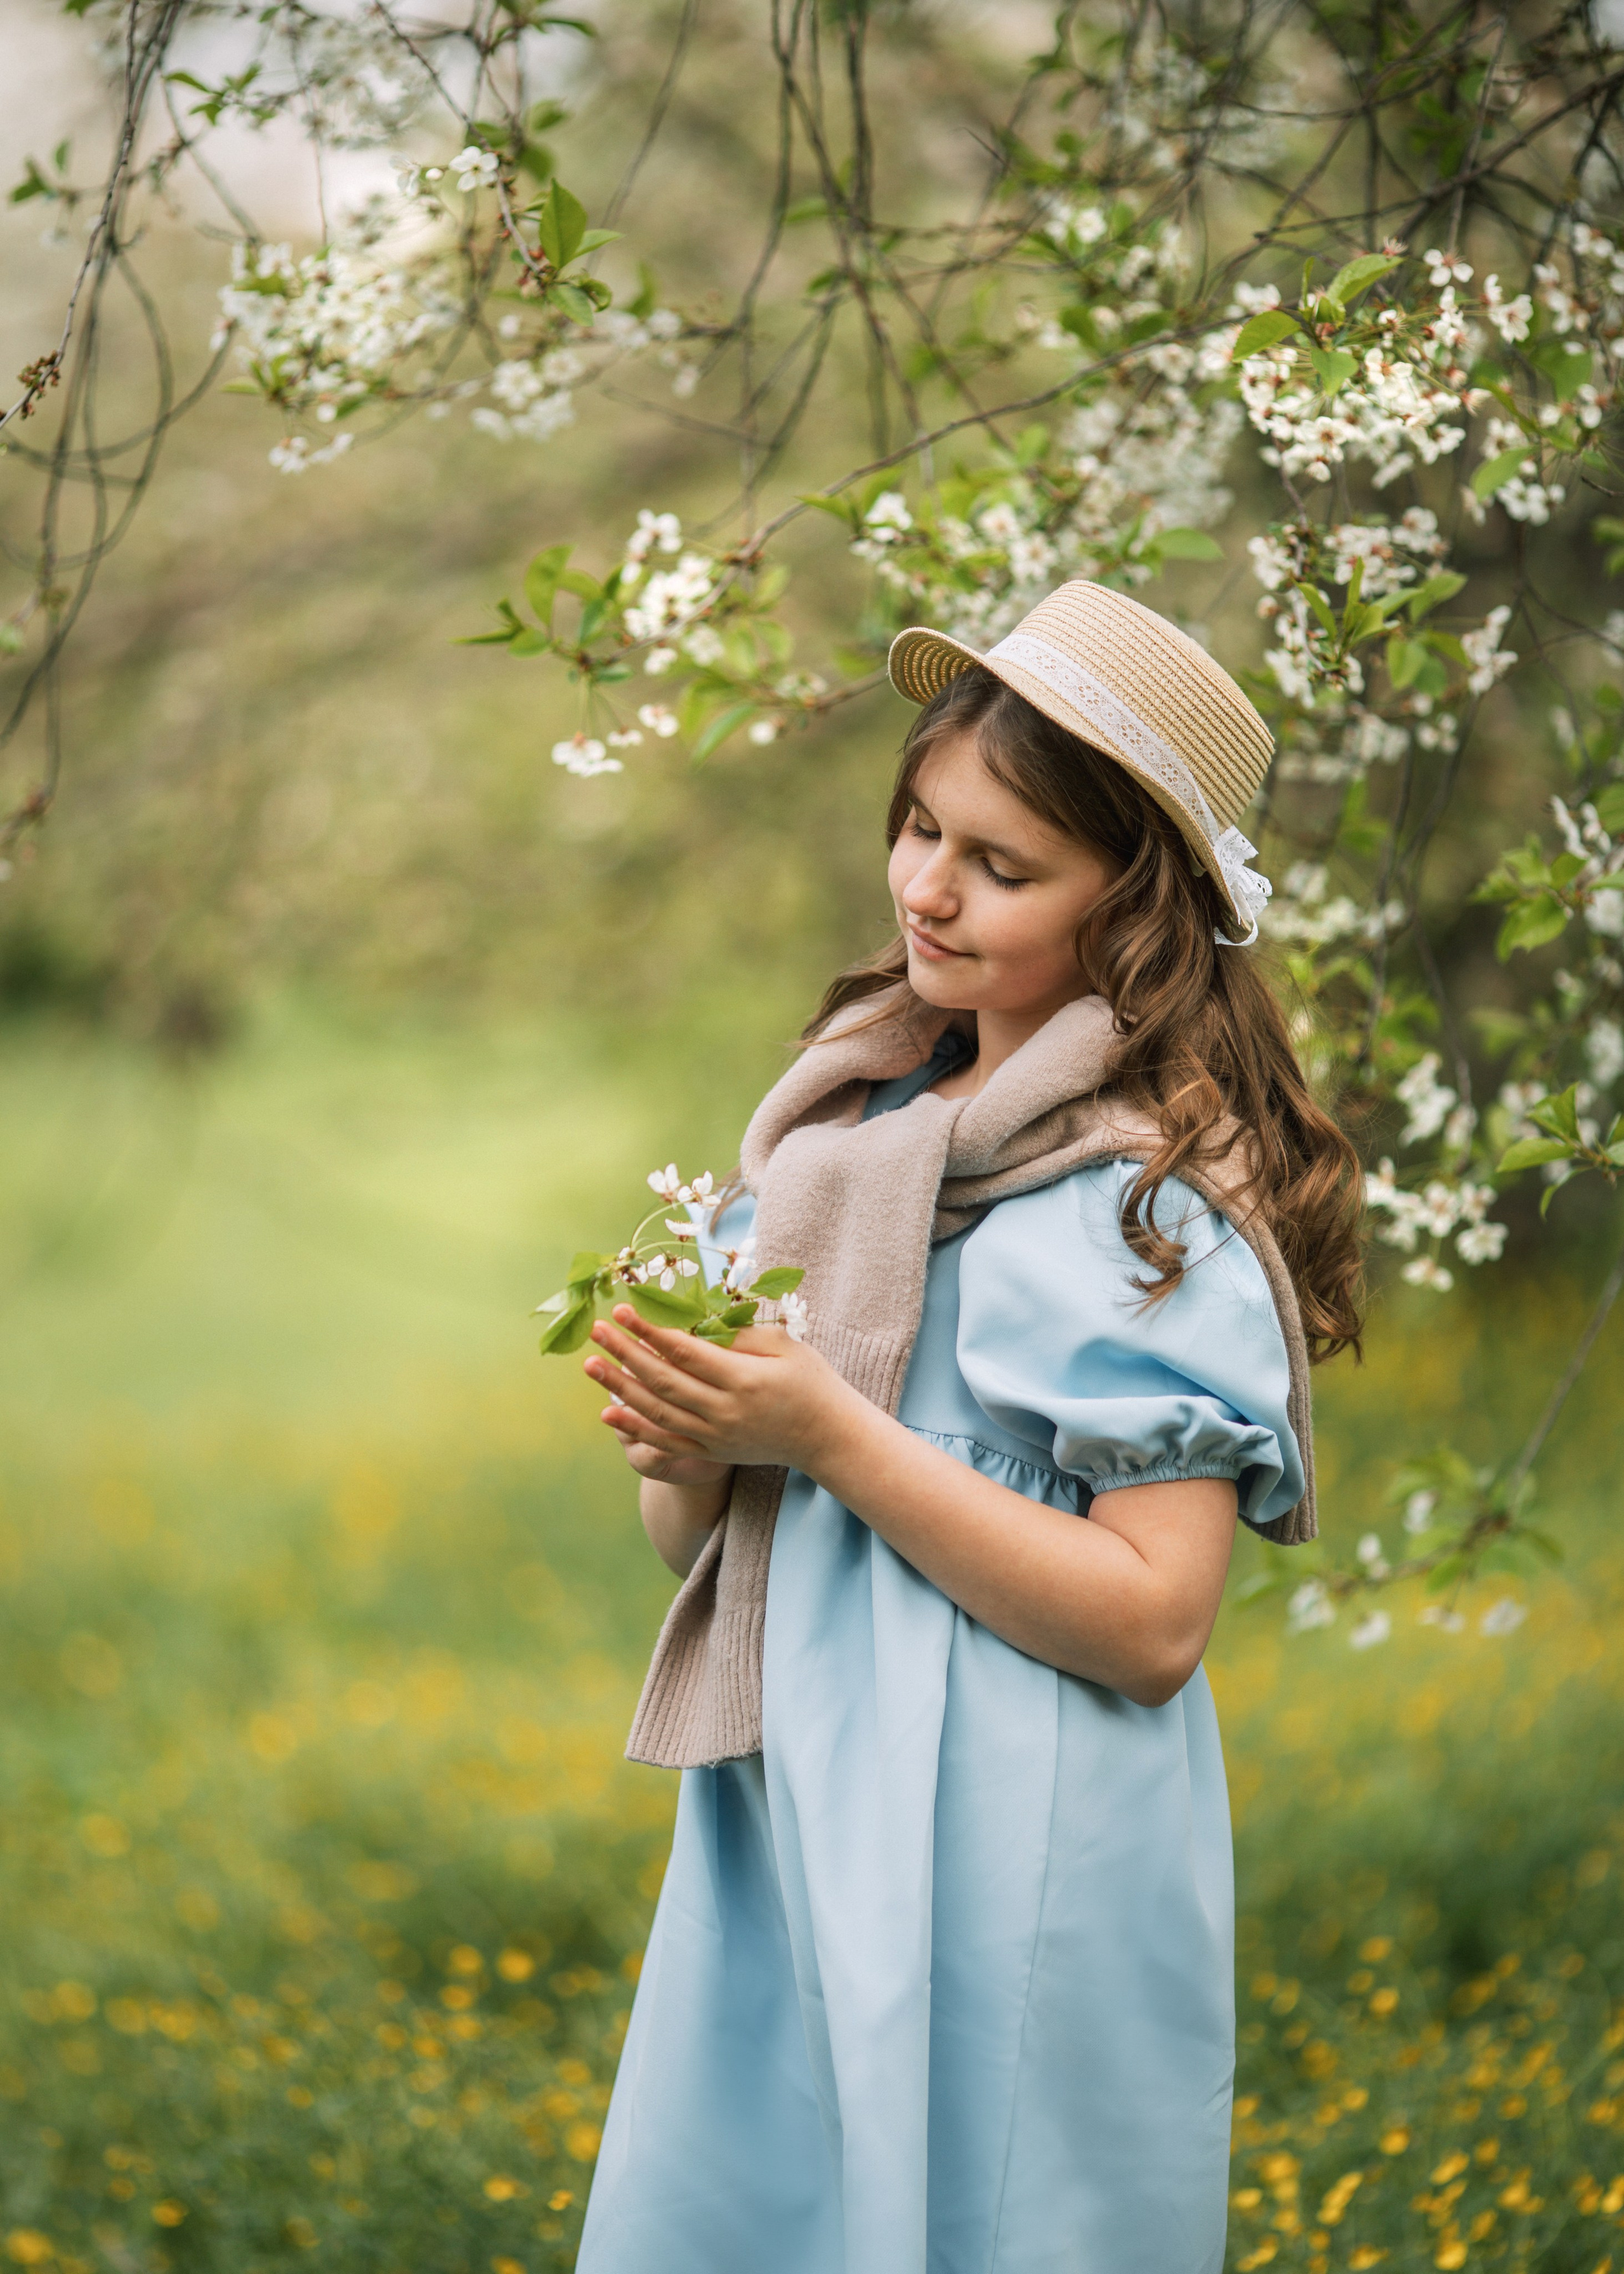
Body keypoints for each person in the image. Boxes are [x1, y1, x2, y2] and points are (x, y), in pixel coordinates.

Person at [575, 579, 1363, 2274]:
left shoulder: (1140, 1210)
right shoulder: (843, 1147)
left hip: (1017, 1835)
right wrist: (700, 1442)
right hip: (797, 1790)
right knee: (770, 2201)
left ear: (1133, 917)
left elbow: (1155, 1627)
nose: (930, 889)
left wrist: (835, 1436)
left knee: (994, 2214)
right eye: (921, 828)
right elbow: (702, 1541)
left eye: (1002, 867)